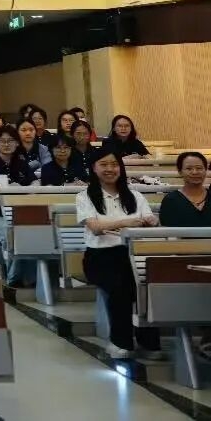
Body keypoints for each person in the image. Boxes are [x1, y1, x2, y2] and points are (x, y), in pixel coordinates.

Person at [76, 146, 162, 359]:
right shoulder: (84, 197)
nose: (110, 169)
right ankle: (121, 342)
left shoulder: (136, 196)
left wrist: (151, 221)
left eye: (114, 164)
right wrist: (128, 222)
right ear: (94, 168)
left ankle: (149, 343)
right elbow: (96, 228)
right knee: (121, 287)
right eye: (104, 164)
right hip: (101, 257)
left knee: (149, 285)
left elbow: (149, 223)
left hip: (134, 254)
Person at [0, 125, 34, 287]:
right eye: (2, 141)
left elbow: (35, 183)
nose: (6, 144)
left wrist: (23, 189)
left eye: (10, 141)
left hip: (20, 213)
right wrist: (5, 188)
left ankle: (16, 278)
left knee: (29, 237)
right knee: (10, 236)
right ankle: (13, 280)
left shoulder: (21, 163)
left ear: (17, 143)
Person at [159, 152, 211, 227]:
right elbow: (168, 229)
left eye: (199, 168)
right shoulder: (171, 200)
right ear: (180, 172)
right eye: (189, 168)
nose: (194, 172)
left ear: (205, 170)